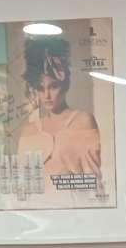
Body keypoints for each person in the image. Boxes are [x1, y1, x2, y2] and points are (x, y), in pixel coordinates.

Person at [14, 34, 101, 191]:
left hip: (73, 204)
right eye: (41, 88)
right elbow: (21, 184)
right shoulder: (29, 130)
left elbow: (94, 182)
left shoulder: (83, 121)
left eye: (53, 86)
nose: (47, 95)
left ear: (65, 84)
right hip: (36, 205)